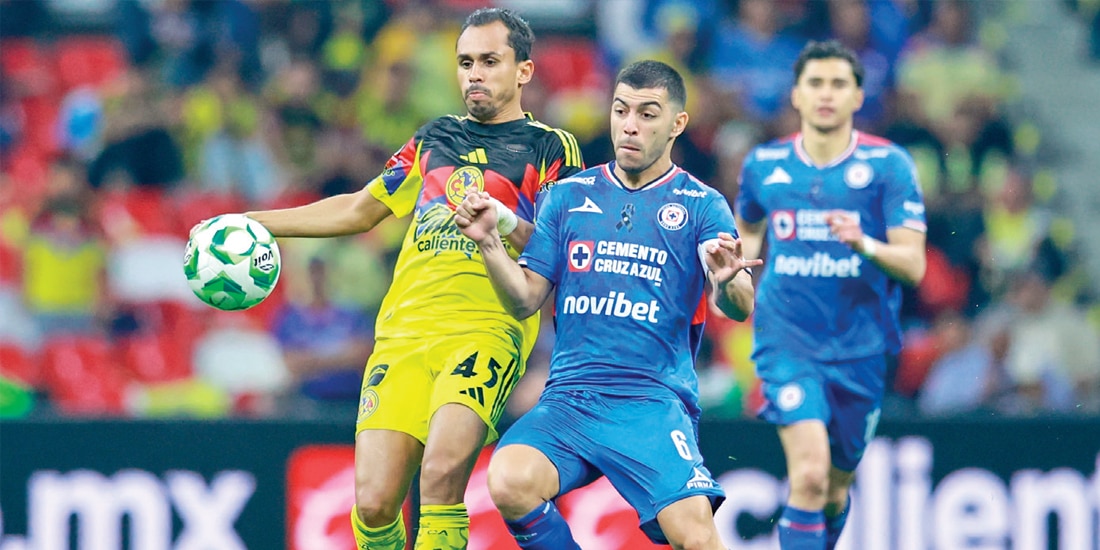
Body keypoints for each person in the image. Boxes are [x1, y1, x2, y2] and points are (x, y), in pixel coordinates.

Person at [226, 8, 585, 549]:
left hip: (484, 330)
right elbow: (359, 209)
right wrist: (255, 221)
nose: (475, 74)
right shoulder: (433, 138)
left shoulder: (550, 147)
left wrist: (502, 223)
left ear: (524, 71)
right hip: (404, 334)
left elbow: (559, 249)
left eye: (490, 61)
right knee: (373, 504)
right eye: (466, 62)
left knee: (440, 475)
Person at [455, 59, 760, 550]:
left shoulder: (701, 203)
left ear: (677, 124)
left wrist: (727, 281)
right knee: (509, 478)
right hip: (570, 400)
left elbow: (740, 305)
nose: (630, 125)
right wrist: (490, 243)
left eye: (647, 114)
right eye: (621, 111)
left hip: (650, 403)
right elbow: (526, 298)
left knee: (696, 537)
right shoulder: (567, 197)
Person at [734, 40, 927, 549]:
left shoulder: (888, 165)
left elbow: (914, 265)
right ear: (796, 95)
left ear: (858, 97)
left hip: (862, 349)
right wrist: (732, 274)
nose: (826, 94)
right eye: (815, 83)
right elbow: (746, 233)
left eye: (838, 84)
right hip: (788, 342)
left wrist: (864, 243)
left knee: (834, 491)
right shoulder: (764, 165)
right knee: (810, 476)